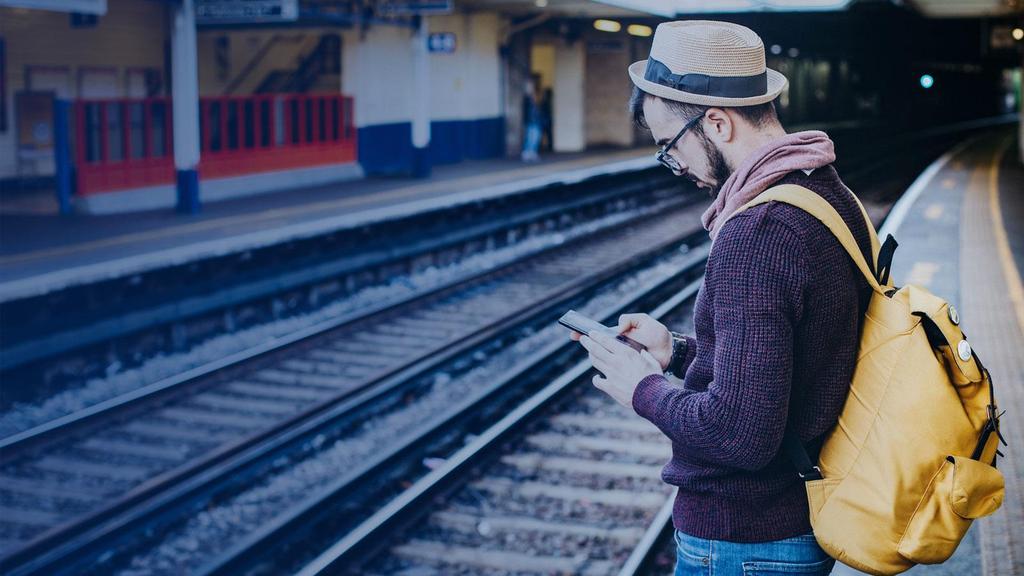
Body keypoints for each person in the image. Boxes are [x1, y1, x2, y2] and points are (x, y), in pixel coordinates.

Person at [569, 20, 875, 576]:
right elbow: (790, 364)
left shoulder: (755, 234)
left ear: (716, 122)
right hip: (795, 521)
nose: (675, 164)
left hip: (744, 539)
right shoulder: (827, 193)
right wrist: (677, 352)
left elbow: (738, 434)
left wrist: (644, 389)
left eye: (670, 144)